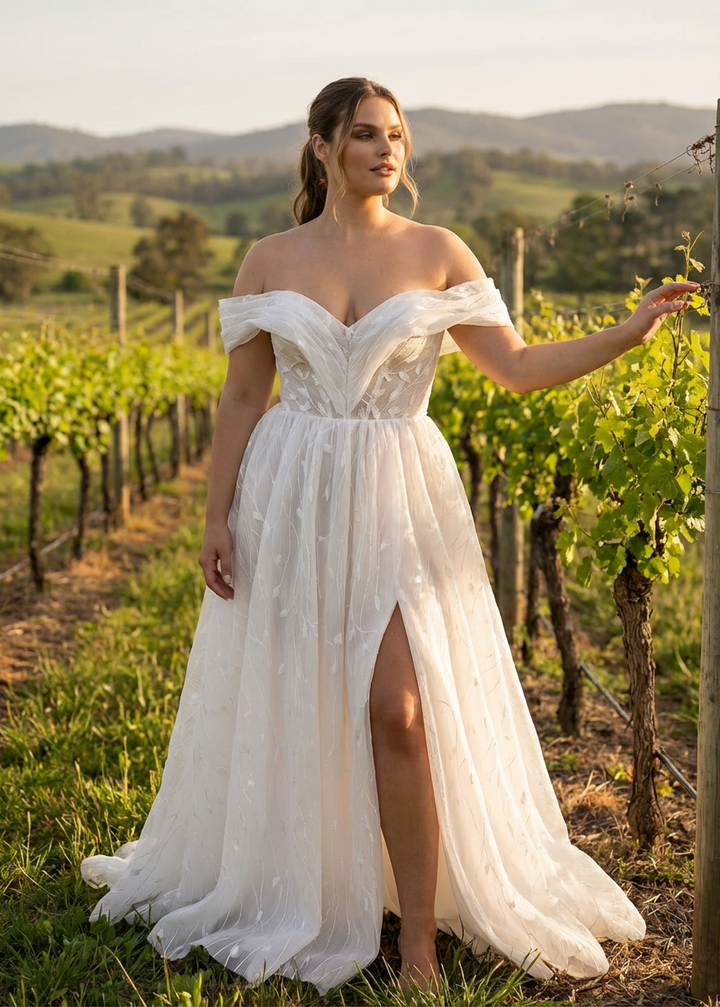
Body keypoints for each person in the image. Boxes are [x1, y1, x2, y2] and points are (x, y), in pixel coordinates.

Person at [81, 77, 698, 994]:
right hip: (290, 496)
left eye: (397, 137)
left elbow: (519, 370)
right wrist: (215, 515)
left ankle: (414, 938)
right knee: (302, 704)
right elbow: (245, 395)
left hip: (404, 496)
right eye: (367, 134)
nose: (387, 150)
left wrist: (630, 333)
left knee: (399, 713)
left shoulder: (439, 251)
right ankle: (315, 886)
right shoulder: (268, 257)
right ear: (324, 145)